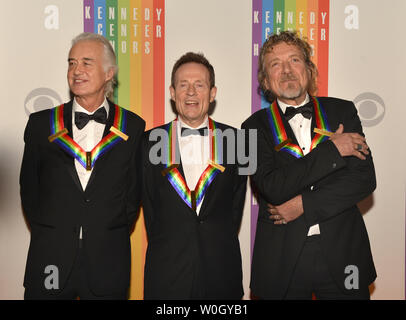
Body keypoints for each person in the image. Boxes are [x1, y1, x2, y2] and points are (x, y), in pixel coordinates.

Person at [242, 31, 376, 299]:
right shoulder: (250, 129)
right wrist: (333, 150)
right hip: (282, 261)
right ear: (265, 80)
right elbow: (273, 187)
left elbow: (363, 179)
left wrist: (302, 205)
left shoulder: (343, 111)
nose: (287, 70)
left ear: (309, 69)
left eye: (294, 60)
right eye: (275, 64)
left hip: (344, 254)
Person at [20, 32, 145, 299]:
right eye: (72, 63)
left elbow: (132, 197)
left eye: (87, 63)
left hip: (107, 262)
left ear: (109, 73)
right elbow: (29, 191)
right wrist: (53, 230)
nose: (77, 70)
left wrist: (105, 228)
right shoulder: (42, 125)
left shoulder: (133, 127)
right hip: (50, 260)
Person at [142, 52, 247, 299]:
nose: (191, 92)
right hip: (166, 275)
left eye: (199, 85)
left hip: (221, 273)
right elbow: (149, 208)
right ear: (172, 92)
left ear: (212, 93)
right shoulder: (147, 142)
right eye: (183, 85)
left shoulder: (237, 141)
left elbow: (235, 207)